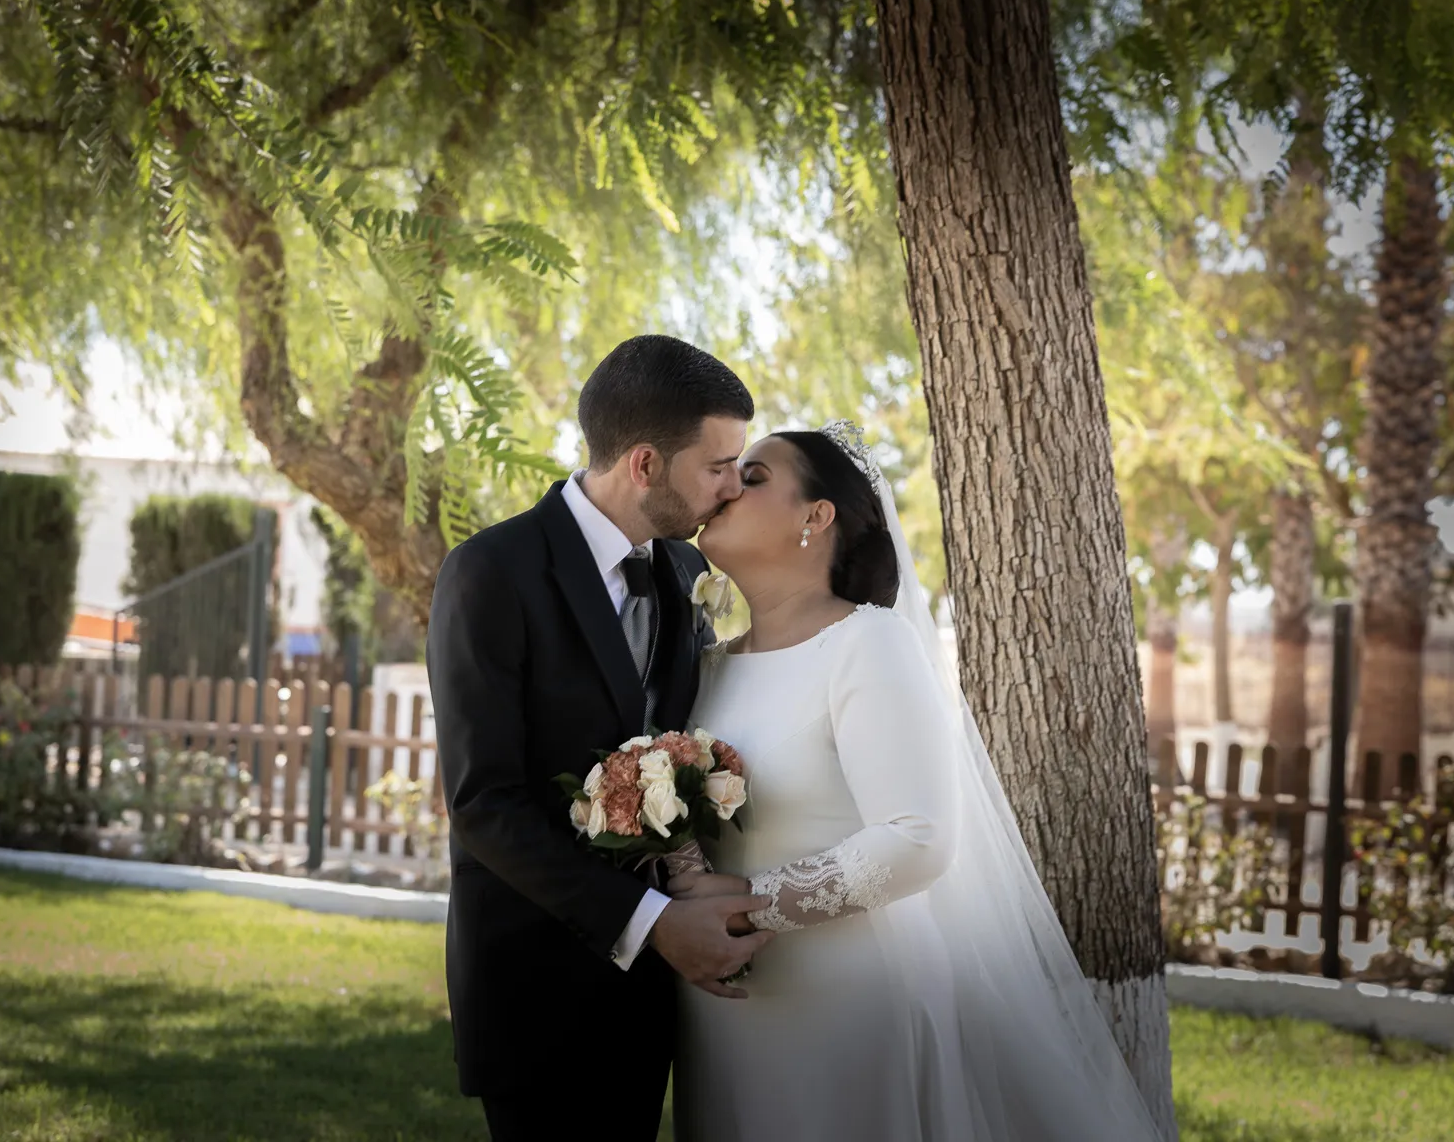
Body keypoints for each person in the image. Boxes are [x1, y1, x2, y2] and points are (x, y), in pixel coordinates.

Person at [669, 422, 1166, 1141]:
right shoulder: (709, 664)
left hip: (847, 998)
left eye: (753, 477)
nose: (723, 489)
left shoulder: (867, 642)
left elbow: (919, 838)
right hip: (722, 998)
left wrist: (750, 908)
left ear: (817, 516)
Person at [426, 334, 776, 1142]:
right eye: (718, 465)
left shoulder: (689, 576)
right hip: (533, 985)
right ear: (646, 464)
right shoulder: (491, 571)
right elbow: (485, 804)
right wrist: (651, 921)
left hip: (653, 993)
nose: (733, 486)